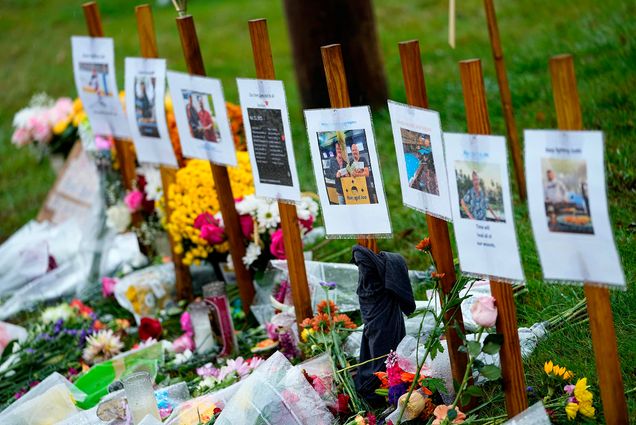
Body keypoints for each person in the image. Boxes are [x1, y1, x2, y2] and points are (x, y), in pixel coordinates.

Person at [326, 140, 348, 204]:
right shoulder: (332, 161)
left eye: (340, 149)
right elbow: (328, 174)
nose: (339, 150)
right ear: (335, 150)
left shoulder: (345, 163)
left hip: (348, 190)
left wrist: (347, 175)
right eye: (337, 148)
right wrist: (336, 175)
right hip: (339, 191)